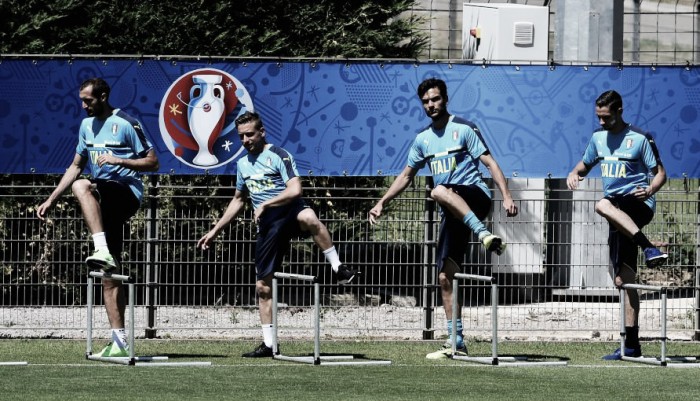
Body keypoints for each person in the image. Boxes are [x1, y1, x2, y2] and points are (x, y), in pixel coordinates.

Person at [368, 78, 518, 359]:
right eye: (425, 101)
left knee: (438, 189)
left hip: (475, 197)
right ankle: (456, 341)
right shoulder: (422, 139)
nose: (430, 105)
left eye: (435, 99)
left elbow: (490, 162)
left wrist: (507, 195)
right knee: (444, 276)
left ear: (445, 99)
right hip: (452, 209)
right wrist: (381, 202)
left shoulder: (464, 129)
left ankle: (483, 233)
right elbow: (405, 176)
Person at [197, 111, 360, 358]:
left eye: (250, 134)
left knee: (309, 217)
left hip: (290, 212)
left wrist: (267, 203)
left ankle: (338, 267)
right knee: (262, 287)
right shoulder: (242, 165)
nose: (245, 140)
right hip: (269, 226)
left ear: (262, 132)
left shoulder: (279, 156)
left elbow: (295, 189)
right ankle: (269, 344)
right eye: (241, 136)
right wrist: (215, 231)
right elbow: (238, 200)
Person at [37, 77, 159, 357]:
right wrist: (51, 200)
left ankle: (100, 247)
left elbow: (153, 161)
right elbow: (76, 166)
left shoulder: (127, 123)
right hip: (103, 196)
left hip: (126, 192)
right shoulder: (85, 126)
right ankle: (119, 342)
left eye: (88, 100)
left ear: (103, 96)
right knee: (109, 274)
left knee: (82, 186)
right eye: (81, 100)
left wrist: (120, 160)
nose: (83, 105)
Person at [567, 89, 668, 360]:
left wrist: (649, 190)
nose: (601, 122)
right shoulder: (598, 139)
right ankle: (632, 346)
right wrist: (573, 172)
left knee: (601, 204)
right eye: (598, 117)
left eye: (606, 117)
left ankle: (648, 247)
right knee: (624, 280)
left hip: (638, 204)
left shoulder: (640, 139)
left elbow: (660, 174)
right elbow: (585, 165)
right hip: (617, 213)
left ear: (620, 111)